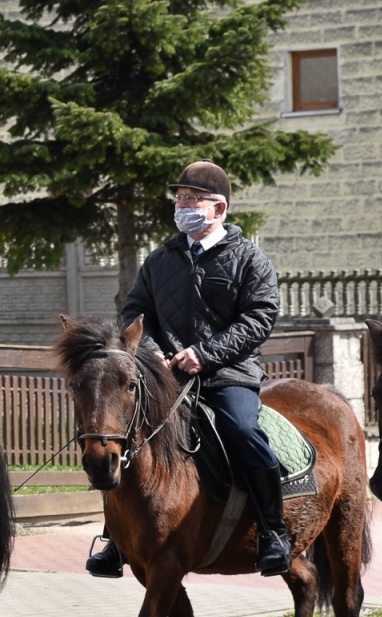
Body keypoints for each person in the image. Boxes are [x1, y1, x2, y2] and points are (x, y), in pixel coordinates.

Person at [89, 161, 290, 578]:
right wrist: (152, 352)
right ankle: (115, 539)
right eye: (179, 199)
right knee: (125, 433)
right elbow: (134, 313)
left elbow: (260, 317)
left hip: (228, 374)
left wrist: (207, 353)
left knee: (242, 430)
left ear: (218, 209)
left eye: (192, 199)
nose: (182, 206)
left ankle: (274, 532)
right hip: (167, 376)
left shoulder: (250, 259)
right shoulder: (160, 259)